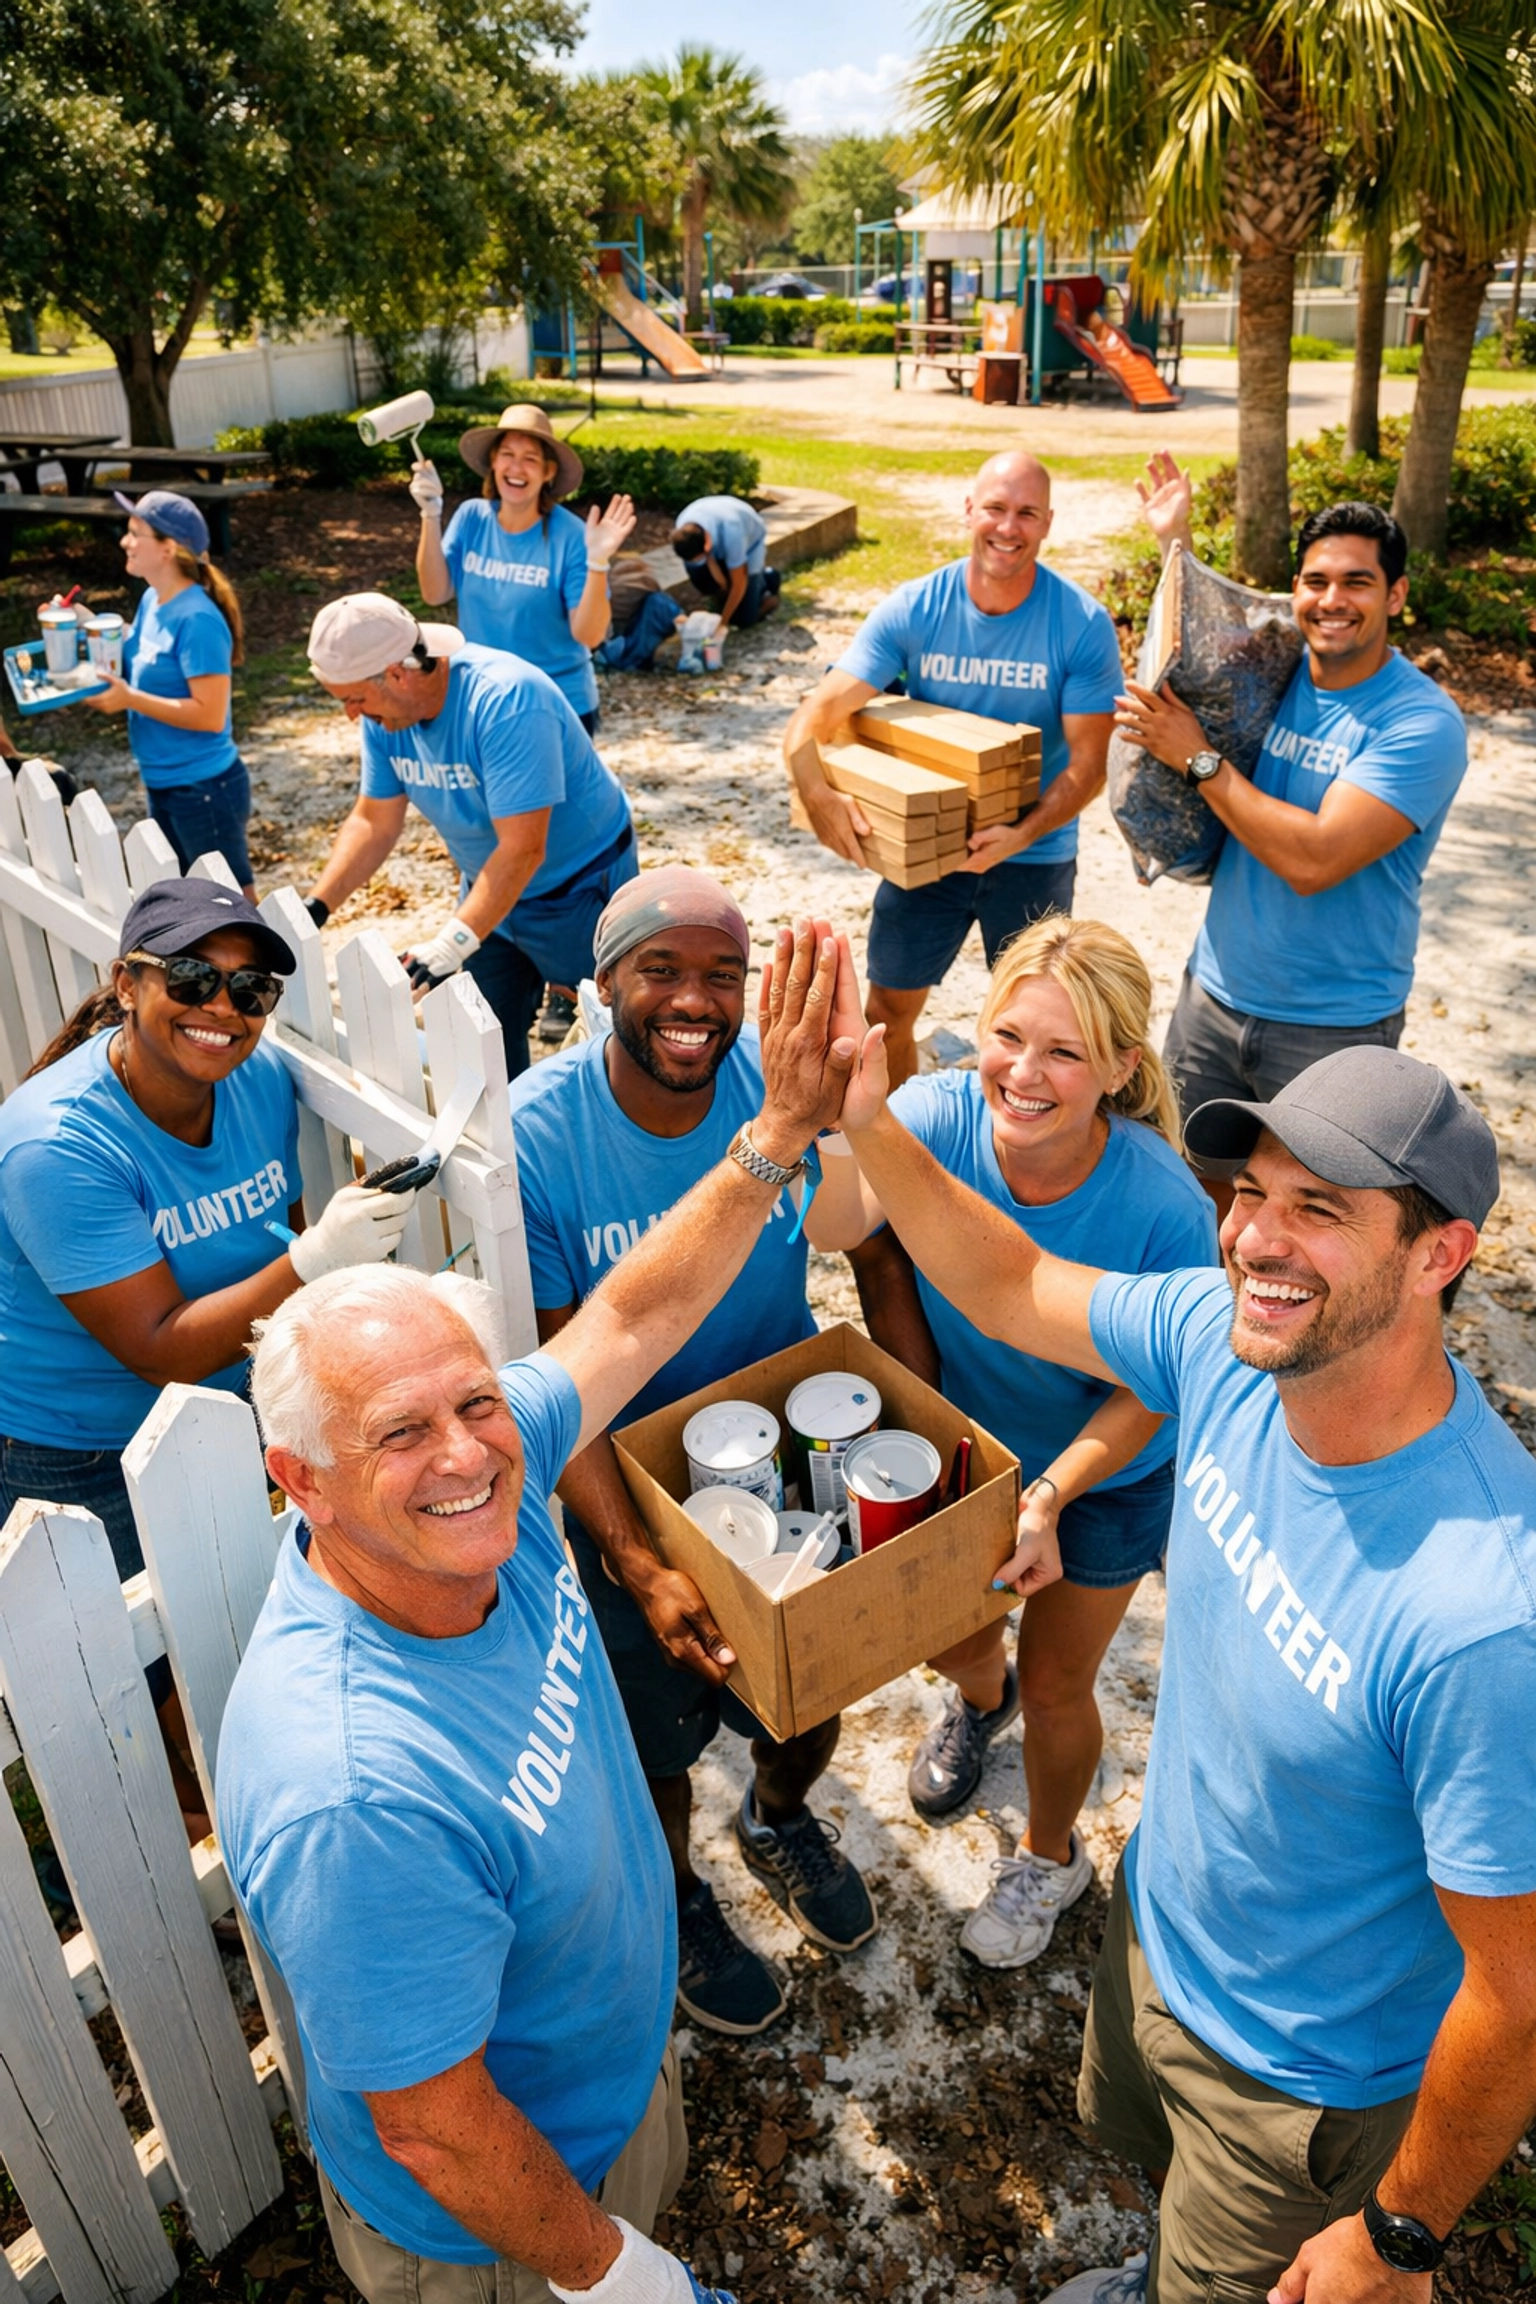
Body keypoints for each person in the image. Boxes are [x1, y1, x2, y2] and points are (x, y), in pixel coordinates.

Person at [827, 961, 1536, 2304]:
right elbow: (1014, 1277)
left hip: (1300, 2078)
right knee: (1159, 2195)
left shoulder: (1484, 1617)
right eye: (1252, 1195)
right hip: (1158, 1929)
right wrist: (867, 1120)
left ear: (1442, 1253)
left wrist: (1400, 2235)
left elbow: (1518, 1996)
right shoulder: (1228, 1346)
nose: (1256, 1241)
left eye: (1319, 1211)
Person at [216, 918, 856, 2304]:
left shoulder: (482, 1485)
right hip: (511, 2234)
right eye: (400, 1434)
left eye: (478, 1403)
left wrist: (780, 1133)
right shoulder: (354, 1787)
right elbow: (434, 2126)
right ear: (298, 1482)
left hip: (607, 2095)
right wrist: (612, 2273)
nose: (465, 1457)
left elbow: (632, 1313)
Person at [509, 867, 877, 2037]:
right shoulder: (539, 1137)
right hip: (627, 1479)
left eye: (723, 974)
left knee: (807, 1688)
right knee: (656, 1731)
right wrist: (632, 1559)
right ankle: (675, 1895)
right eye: (659, 969)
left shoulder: (782, 1083)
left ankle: (776, 1816)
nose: (694, 1000)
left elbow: (871, 1240)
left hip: (774, 1449)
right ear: (602, 981)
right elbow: (563, 1381)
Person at [806, 917, 1215, 1966]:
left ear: (1125, 1067)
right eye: (1007, 1036)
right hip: (975, 1457)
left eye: (1065, 1052)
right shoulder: (935, 1115)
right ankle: (974, 1701)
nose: (1023, 1076)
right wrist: (847, 1115)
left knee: (1056, 1686)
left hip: (1107, 1474)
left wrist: (1056, 1495)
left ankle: (1049, 1856)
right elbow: (835, 1228)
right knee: (955, 1638)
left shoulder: (1165, 1208)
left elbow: (1153, 1397)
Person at [0, 878, 420, 1824]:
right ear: (126, 984)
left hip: (225, 1412)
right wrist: (320, 1261)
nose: (221, 1010)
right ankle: (189, 1840)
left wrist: (323, 1264)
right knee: (132, 1673)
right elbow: (157, 1346)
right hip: (75, 1450)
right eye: (192, 978)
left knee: (229, 1617)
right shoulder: (55, 1148)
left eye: (251, 991)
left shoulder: (256, 1081)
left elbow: (281, 1225)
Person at [1124, 454, 1468, 1160]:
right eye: (1316, 581)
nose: (1332, 600)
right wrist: (1174, 538)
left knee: (1304, 1222)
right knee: (1193, 1187)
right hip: (1213, 995)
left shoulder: (1420, 725)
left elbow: (1313, 859)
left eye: (1357, 583)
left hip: (1333, 1026)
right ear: (1296, 591)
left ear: (1396, 596)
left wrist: (1195, 758)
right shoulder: (1276, 667)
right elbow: (1202, 650)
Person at [783, 452, 1123, 1086]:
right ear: (969, 511)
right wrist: (820, 795)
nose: (1008, 527)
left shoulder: (1079, 624)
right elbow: (813, 717)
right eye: (995, 508)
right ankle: (903, 1141)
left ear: (1048, 523)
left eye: (1026, 513)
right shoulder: (916, 607)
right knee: (888, 1012)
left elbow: (1090, 766)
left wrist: (1021, 834)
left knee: (1040, 1031)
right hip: (924, 846)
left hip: (1032, 855)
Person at [302, 592, 637, 1077]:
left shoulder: (506, 700)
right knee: (487, 1043)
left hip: (578, 887)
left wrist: (452, 944)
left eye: (354, 699)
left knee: (617, 1032)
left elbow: (524, 847)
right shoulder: (387, 716)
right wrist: (317, 906)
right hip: (490, 892)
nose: (351, 715)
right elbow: (374, 820)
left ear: (397, 673)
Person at [411, 403, 635, 737]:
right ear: (493, 462)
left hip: (554, 706)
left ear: (548, 472)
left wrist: (598, 561)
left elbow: (589, 637)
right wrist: (430, 515)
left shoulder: (572, 537)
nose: (516, 468)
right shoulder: (471, 518)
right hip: (480, 699)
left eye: (530, 458)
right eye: (507, 454)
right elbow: (434, 593)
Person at [81, 492, 255, 896]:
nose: (125, 542)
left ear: (168, 548)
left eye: (134, 533)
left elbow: (209, 715)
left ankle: (269, 963)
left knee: (232, 903)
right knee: (192, 900)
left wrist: (130, 700)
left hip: (205, 788)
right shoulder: (153, 600)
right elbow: (139, 653)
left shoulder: (197, 619)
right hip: (164, 781)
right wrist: (86, 622)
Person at [669, 495, 781, 632]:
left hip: (750, 545)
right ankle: (729, 596)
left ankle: (768, 580)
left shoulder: (732, 533)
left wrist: (723, 623)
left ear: (707, 544)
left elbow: (739, 582)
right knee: (699, 574)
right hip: (713, 539)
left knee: (744, 619)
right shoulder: (683, 526)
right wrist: (719, 584)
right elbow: (702, 565)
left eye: (701, 557)